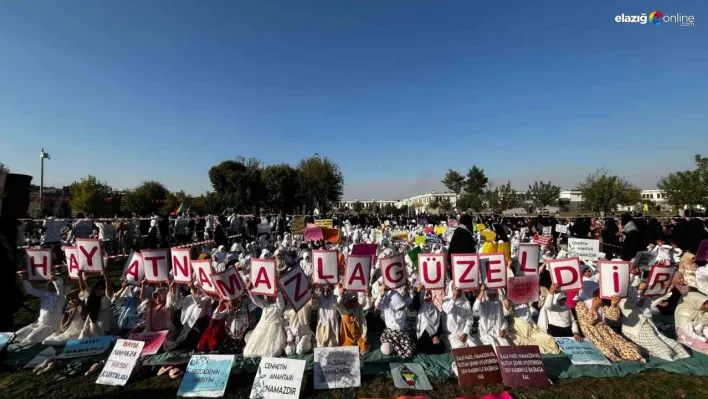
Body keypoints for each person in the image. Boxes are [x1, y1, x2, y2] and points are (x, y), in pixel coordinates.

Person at [611, 283, 690, 361]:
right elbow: (631, 302)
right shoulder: (624, 302)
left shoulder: (639, 298)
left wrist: (665, 292)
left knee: (676, 346)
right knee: (666, 351)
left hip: (648, 327)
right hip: (635, 331)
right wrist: (638, 289)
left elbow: (649, 303)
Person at [575, 286, 645, 362]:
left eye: (598, 292)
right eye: (595, 292)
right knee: (609, 350)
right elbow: (590, 321)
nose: (597, 294)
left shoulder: (601, 303)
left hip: (606, 332)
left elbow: (614, 317)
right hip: (593, 334)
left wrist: (613, 304)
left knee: (630, 347)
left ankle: (631, 356)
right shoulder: (580, 305)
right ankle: (619, 358)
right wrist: (594, 307)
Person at [15, 273, 65, 344]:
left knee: (31, 338)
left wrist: (55, 280)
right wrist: (25, 280)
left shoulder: (61, 296)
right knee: (17, 335)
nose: (52, 287)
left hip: (51, 326)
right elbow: (30, 290)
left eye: (53, 285)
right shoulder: (44, 294)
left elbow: (60, 289)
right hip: (39, 323)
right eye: (50, 285)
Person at [243, 283, 286, 358]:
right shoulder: (264, 304)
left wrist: (278, 291)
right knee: (252, 350)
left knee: (270, 351)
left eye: (271, 296)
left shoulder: (280, 305)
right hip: (262, 327)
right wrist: (250, 290)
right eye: (267, 296)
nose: (269, 297)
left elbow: (280, 300)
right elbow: (256, 300)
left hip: (274, 328)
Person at [376, 284, 415, 358]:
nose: (400, 308)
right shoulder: (386, 306)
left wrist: (411, 289)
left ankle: (396, 347)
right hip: (389, 332)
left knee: (409, 352)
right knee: (386, 349)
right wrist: (381, 295)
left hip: (401, 333)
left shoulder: (403, 305)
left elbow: (411, 298)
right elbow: (377, 305)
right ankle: (394, 347)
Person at [78, 271, 116, 338]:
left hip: (105, 324)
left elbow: (109, 289)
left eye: (101, 289)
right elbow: (84, 289)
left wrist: (106, 277)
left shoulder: (107, 298)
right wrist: (80, 277)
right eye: (97, 288)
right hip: (91, 324)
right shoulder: (91, 297)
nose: (98, 290)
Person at [336, 284, 370, 355]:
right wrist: (341, 295)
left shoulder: (358, 307)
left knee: (364, 349)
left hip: (359, 334)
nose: (351, 303)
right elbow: (337, 304)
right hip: (348, 335)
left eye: (354, 300)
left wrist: (367, 295)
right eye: (349, 300)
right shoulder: (343, 309)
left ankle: (361, 346)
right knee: (349, 348)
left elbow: (367, 305)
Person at [413, 284, 444, 354]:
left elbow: (439, 325)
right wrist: (418, 291)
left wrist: (436, 336)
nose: (429, 296)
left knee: (440, 346)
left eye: (430, 294)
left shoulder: (435, 309)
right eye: (427, 294)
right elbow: (415, 301)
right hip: (422, 335)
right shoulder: (420, 306)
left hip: (433, 335)